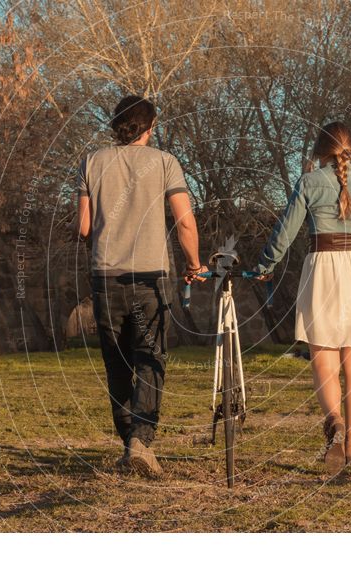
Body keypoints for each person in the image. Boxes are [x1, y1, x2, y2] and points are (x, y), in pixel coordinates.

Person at [254, 121, 351, 475]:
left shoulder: (308, 182)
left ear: (319, 152)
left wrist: (266, 263)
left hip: (323, 269)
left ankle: (333, 420)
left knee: (323, 357)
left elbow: (285, 230)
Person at [77, 95, 207, 478]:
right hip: (149, 277)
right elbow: (184, 222)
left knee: (116, 364)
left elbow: (83, 228)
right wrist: (194, 264)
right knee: (151, 359)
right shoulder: (165, 163)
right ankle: (140, 441)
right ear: (150, 127)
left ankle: (128, 443)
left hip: (105, 276)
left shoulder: (92, 162)